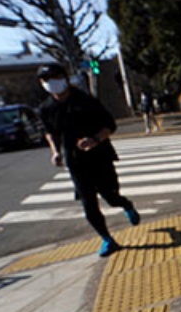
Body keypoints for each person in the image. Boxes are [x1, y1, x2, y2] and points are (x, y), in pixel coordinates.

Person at [37, 63, 140, 257]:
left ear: (65, 78)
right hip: (75, 161)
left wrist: (95, 140)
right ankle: (107, 239)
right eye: (46, 80)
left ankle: (126, 205)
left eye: (56, 77)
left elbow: (110, 125)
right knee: (88, 203)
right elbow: (50, 133)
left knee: (111, 197)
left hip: (100, 156)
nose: (52, 83)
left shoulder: (85, 100)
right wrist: (55, 152)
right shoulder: (46, 109)